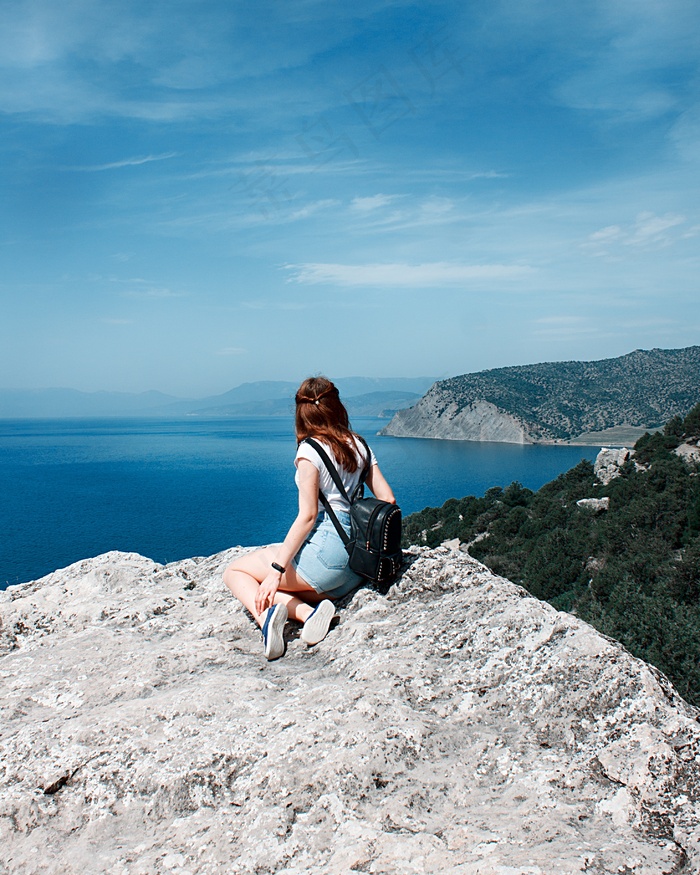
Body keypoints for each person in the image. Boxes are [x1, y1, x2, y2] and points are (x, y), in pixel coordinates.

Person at [223, 376, 396, 660]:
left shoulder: (309, 450)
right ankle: (308, 611)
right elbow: (388, 499)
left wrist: (276, 572)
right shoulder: (360, 444)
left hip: (326, 558)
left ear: (302, 412)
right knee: (299, 588)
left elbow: (308, 516)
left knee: (236, 572)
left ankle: (269, 621)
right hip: (356, 565)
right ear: (336, 406)